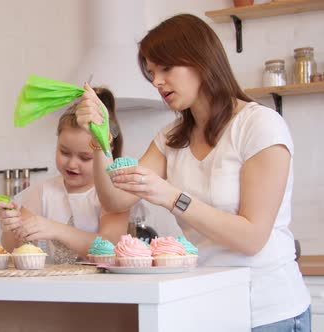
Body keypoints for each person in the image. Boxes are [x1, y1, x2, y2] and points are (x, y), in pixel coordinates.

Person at [75, 14, 310, 331]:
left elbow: (252, 238)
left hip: (269, 312)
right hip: (208, 305)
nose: (157, 81)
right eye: (151, 72)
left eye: (165, 68)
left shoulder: (260, 125)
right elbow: (116, 200)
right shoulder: (171, 138)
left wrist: (172, 197)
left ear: (200, 61)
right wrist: (99, 137)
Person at [0, 87, 129, 264]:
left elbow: (111, 245)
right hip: (54, 287)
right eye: (64, 152)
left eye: (85, 157)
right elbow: (14, 248)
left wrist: (57, 230)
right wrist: (9, 228)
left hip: (100, 288)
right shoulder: (43, 192)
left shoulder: (113, 194)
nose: (72, 164)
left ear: (103, 151)